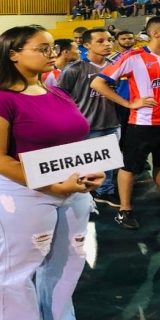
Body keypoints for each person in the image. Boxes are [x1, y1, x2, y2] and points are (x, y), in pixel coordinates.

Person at [0, 25, 104, 320]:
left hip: (71, 189)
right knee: (15, 271)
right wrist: (54, 184)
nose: (52, 53)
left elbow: (73, 141)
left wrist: (91, 167)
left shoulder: (56, 92)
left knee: (67, 264)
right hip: (18, 193)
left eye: (52, 47)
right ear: (13, 54)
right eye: (42, 48)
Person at [91, 17, 160, 229]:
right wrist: (129, 103)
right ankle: (125, 209)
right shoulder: (133, 57)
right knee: (130, 167)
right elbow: (98, 83)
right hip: (142, 124)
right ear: (156, 33)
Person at [57, 28, 121, 207]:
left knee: (109, 160)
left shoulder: (115, 66)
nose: (107, 44)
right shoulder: (74, 69)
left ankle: (105, 191)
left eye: (109, 40)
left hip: (112, 121)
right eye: (100, 41)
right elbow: (61, 98)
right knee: (85, 163)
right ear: (86, 45)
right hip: (86, 124)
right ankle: (84, 193)